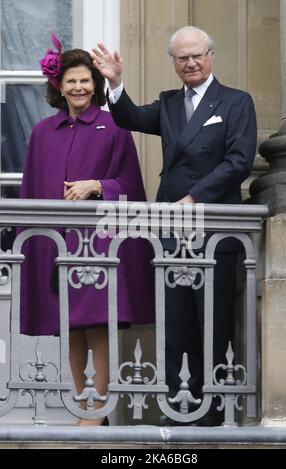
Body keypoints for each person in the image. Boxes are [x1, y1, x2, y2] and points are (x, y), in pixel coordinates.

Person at [91, 26, 257, 426]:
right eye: (182, 58)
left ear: (211, 55)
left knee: (211, 320)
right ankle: (179, 405)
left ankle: (213, 411)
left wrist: (195, 197)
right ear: (174, 63)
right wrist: (115, 84)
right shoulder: (167, 103)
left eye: (197, 55)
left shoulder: (235, 102)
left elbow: (239, 162)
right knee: (175, 320)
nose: (191, 63)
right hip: (170, 227)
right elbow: (129, 117)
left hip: (213, 225)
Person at [19, 35, 154, 426]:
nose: (79, 87)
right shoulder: (42, 132)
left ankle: (99, 409)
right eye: (71, 81)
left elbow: (132, 186)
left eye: (86, 80)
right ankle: (82, 407)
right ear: (58, 86)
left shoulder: (114, 125)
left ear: (95, 85)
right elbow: (30, 191)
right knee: (68, 328)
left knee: (98, 324)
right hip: (55, 244)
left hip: (99, 244)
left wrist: (98, 185)